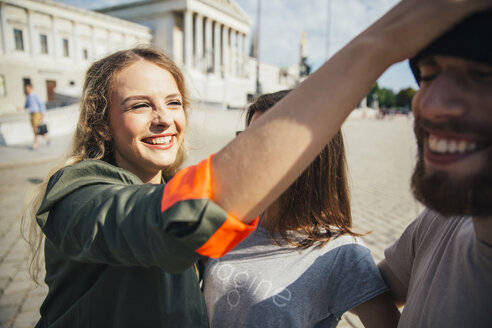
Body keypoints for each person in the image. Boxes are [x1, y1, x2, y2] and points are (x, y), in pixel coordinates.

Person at [21, 0, 491, 327]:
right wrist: (377, 47)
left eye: (173, 102)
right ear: (101, 123)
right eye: (140, 105)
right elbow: (172, 227)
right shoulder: (75, 190)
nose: (164, 118)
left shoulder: (177, 183)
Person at [203, 90, 400, 327]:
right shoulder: (230, 220)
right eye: (246, 139)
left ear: (313, 159)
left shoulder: (342, 253)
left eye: (264, 142)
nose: (247, 153)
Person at [377, 8, 492, 327]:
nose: (428, 103)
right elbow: (375, 286)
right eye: (428, 76)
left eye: (483, 74)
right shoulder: (443, 216)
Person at [24, 83, 50, 150]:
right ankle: (46, 138)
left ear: (30, 88)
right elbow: (26, 105)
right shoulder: (28, 96)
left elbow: (41, 104)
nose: (26, 90)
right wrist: (21, 108)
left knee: (35, 129)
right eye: (26, 89)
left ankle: (35, 144)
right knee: (35, 129)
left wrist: (42, 114)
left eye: (27, 88)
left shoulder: (35, 95)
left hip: (37, 113)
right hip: (31, 114)